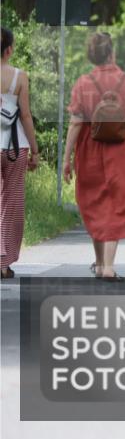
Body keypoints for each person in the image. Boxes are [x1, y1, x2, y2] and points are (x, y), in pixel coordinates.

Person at [62, 32, 125, 281]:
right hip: (123, 152)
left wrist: (66, 158)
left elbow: (75, 122)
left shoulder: (83, 83)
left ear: (92, 55)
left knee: (95, 204)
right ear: (112, 53)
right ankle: (108, 267)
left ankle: (100, 262)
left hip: (90, 152)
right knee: (116, 204)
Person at [1, 27, 39, 279]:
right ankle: (3, 263)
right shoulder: (20, 77)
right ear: (10, 49)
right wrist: (35, 150)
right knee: (11, 203)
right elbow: (25, 115)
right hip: (16, 147)